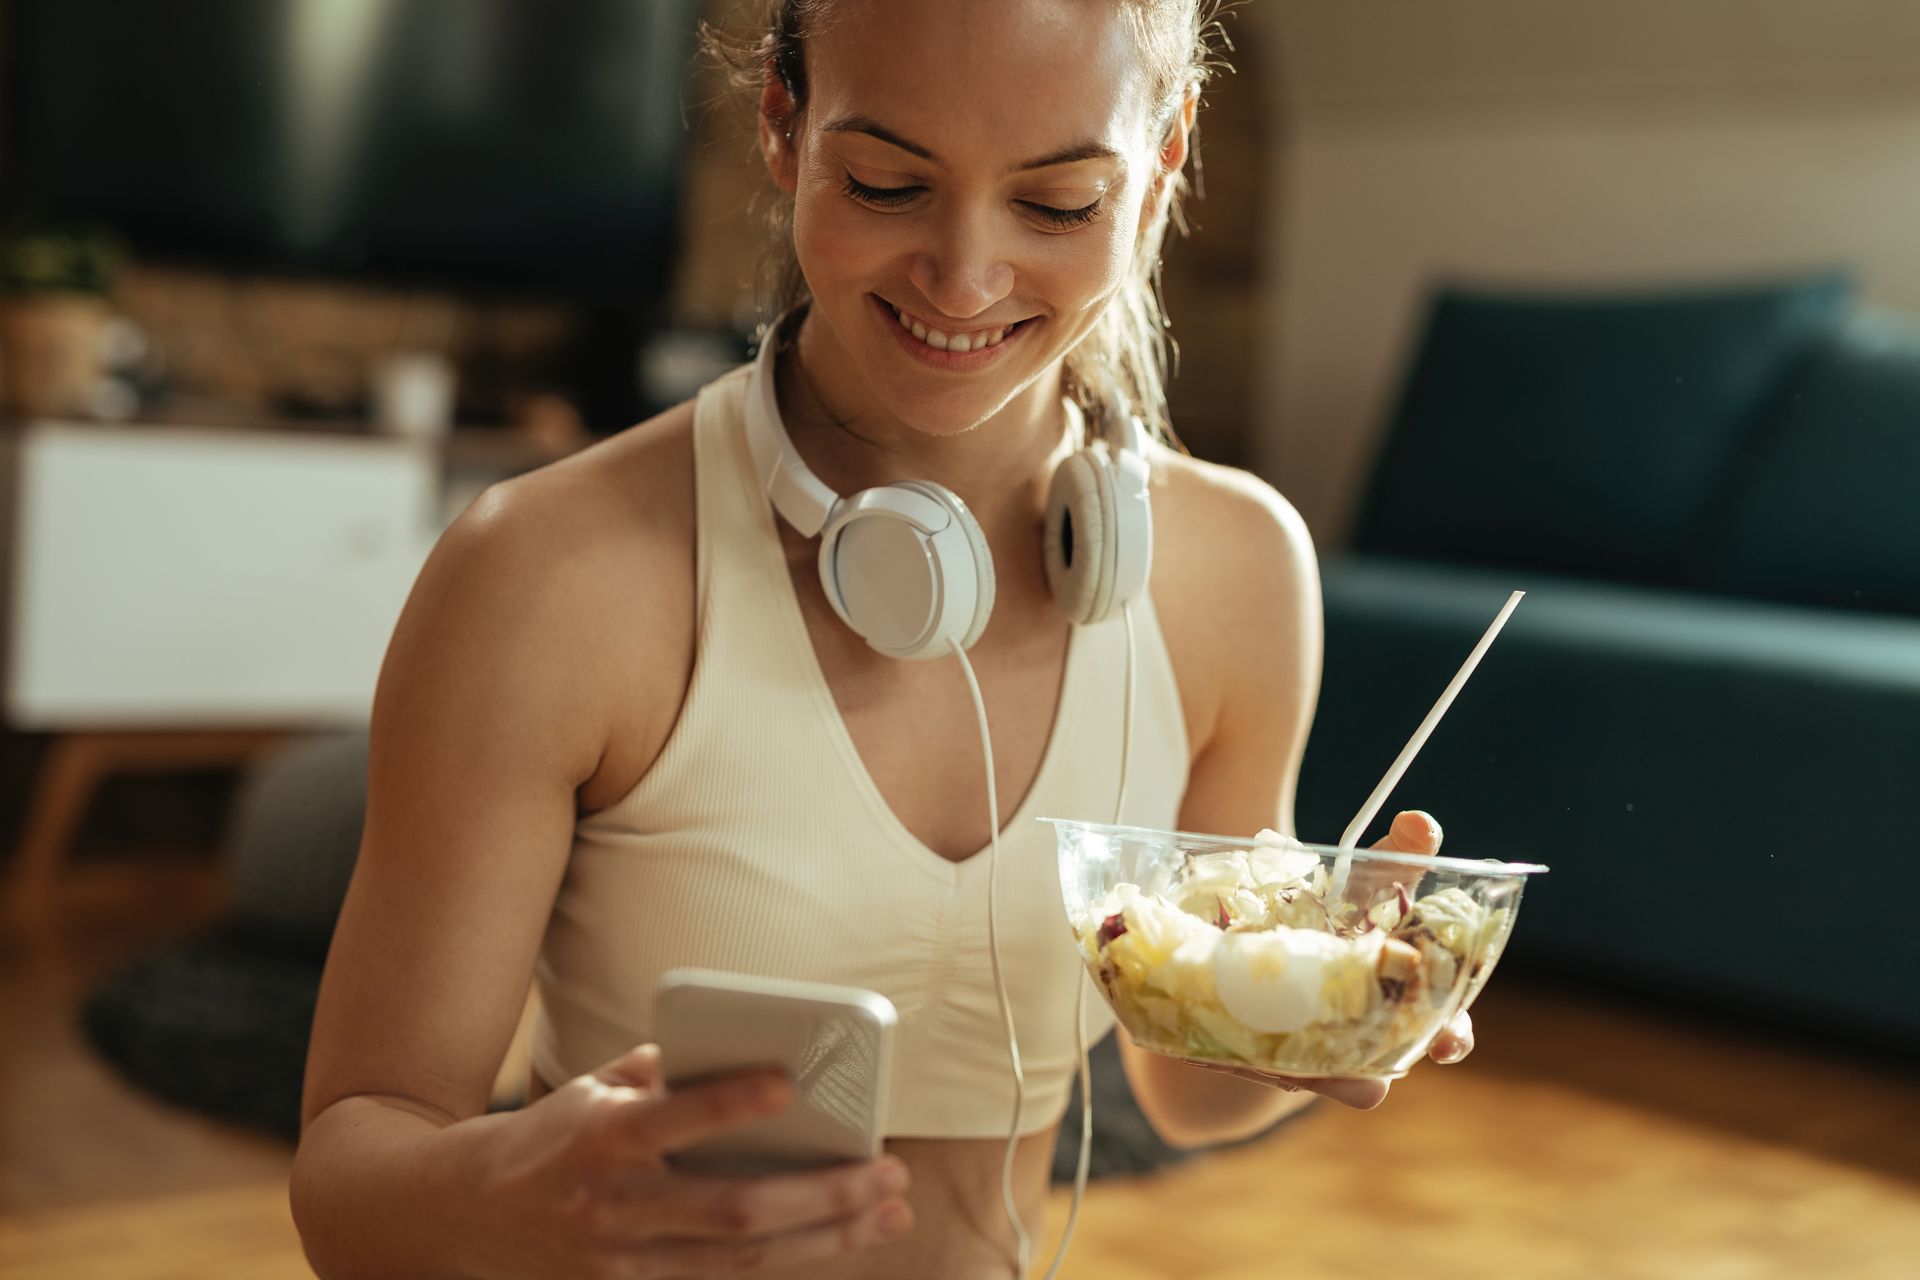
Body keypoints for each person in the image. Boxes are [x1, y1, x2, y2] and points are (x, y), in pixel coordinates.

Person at [289, 1, 1475, 1276]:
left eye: (1060, 203)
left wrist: (1329, 1012)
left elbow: (1191, 1090)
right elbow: (354, 1172)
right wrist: (505, 1195)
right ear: (784, 128)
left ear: (1167, 159)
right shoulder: (547, 574)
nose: (963, 279)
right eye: (887, 183)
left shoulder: (1237, 571)